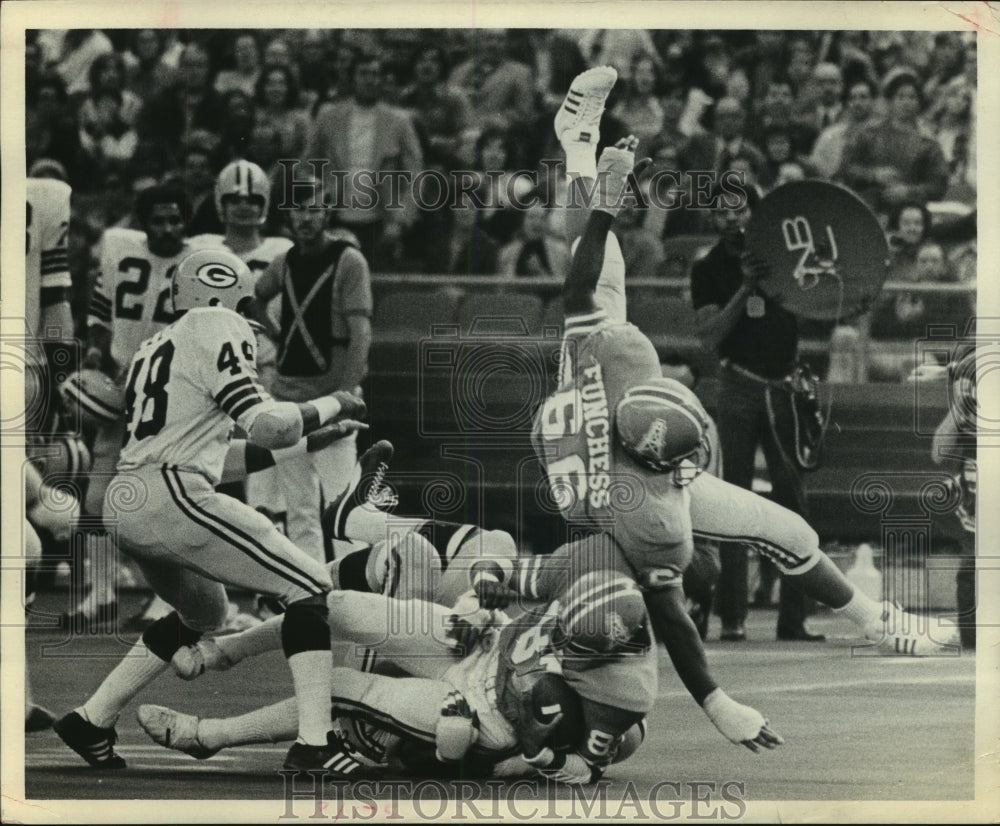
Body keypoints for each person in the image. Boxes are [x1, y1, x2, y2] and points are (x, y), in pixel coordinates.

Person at [543, 66, 955, 690]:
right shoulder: (653, 536)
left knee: (598, 260)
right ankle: (874, 622)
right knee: (780, 530)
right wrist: (716, 702)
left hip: (617, 427)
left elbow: (581, 277)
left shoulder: (596, 366)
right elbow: (678, 631)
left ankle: (575, 138)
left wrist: (605, 192)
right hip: (639, 476)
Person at [53, 246, 367, 773]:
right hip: (172, 495)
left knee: (207, 613)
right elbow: (270, 424)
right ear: (228, 293)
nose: (249, 318)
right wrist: (337, 401)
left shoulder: (157, 344)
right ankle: (316, 744)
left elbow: (215, 459)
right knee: (311, 587)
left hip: (133, 499)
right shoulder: (219, 324)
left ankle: (91, 718)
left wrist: (309, 438)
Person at [62, 184, 202, 629]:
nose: (167, 229)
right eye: (158, 220)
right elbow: (101, 317)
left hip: (170, 399)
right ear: (143, 222)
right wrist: (98, 354)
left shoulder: (200, 264)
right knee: (98, 497)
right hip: (120, 394)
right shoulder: (118, 251)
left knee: (163, 501)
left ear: (187, 221)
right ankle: (100, 593)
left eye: (175, 220)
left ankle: (170, 599)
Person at [689, 182, 823, 642]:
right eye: (722, 212)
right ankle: (732, 617)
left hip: (784, 386)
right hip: (739, 384)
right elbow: (708, 334)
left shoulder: (785, 256)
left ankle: (794, 618)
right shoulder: (707, 269)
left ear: (754, 213)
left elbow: (822, 297)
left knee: (793, 501)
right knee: (731, 500)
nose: (731, 219)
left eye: (739, 209)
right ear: (713, 219)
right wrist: (746, 287)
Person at [252, 178, 373, 565]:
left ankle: (357, 587)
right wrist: (276, 335)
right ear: (287, 215)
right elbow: (253, 298)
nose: (306, 217)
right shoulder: (284, 261)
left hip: (332, 396)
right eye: (298, 209)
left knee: (342, 505)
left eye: (314, 208)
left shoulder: (349, 260)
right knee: (299, 508)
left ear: (328, 212)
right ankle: (312, 591)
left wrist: (348, 391)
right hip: (289, 398)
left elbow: (361, 332)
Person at [306, 52, 423, 272]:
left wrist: (400, 219)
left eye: (376, 74)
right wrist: (314, 207)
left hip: (381, 219)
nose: (371, 80)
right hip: (335, 215)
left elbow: (416, 173)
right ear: (352, 78)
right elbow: (308, 164)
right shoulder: (328, 116)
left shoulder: (399, 120)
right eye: (364, 73)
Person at [839, 71, 949, 215]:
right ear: (890, 101)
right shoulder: (868, 133)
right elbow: (846, 168)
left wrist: (908, 192)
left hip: (909, 214)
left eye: (912, 97)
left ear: (919, 102)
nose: (906, 102)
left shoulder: (928, 143)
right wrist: (874, 175)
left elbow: (938, 185)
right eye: (900, 96)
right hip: (867, 210)